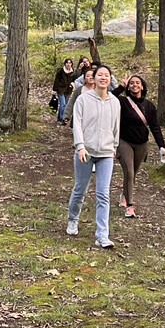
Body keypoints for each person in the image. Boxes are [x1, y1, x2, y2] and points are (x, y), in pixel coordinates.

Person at [66, 64, 121, 250]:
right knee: (81, 189)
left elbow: (116, 127)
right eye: (100, 75)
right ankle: (73, 219)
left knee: (103, 194)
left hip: (106, 153)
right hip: (86, 152)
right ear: (94, 78)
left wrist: (114, 147)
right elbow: (78, 125)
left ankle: (102, 235)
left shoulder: (115, 102)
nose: (103, 78)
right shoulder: (83, 99)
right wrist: (80, 147)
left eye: (107, 75)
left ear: (110, 79)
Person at [114, 75, 165, 219]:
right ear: (128, 87)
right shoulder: (122, 102)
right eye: (131, 83)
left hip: (142, 145)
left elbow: (155, 127)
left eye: (137, 83)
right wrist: (121, 87)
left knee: (132, 174)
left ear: (142, 86)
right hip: (124, 142)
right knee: (129, 173)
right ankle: (130, 206)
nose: (134, 85)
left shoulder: (149, 106)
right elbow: (109, 98)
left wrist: (161, 146)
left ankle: (124, 195)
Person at [52, 58, 76, 124]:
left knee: (66, 104)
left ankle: (60, 118)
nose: (68, 64)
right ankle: (63, 119)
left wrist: (73, 84)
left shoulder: (73, 71)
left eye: (70, 63)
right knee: (63, 104)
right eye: (67, 63)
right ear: (65, 64)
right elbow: (56, 80)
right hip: (61, 89)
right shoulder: (61, 71)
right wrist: (54, 90)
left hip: (68, 90)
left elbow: (75, 79)